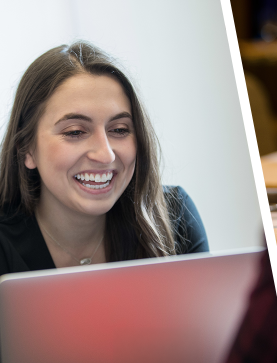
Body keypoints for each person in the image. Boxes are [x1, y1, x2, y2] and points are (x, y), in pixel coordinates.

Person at [0, 41, 208, 274]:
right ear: (26, 150)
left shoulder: (175, 216)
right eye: (75, 132)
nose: (106, 154)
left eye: (119, 129)